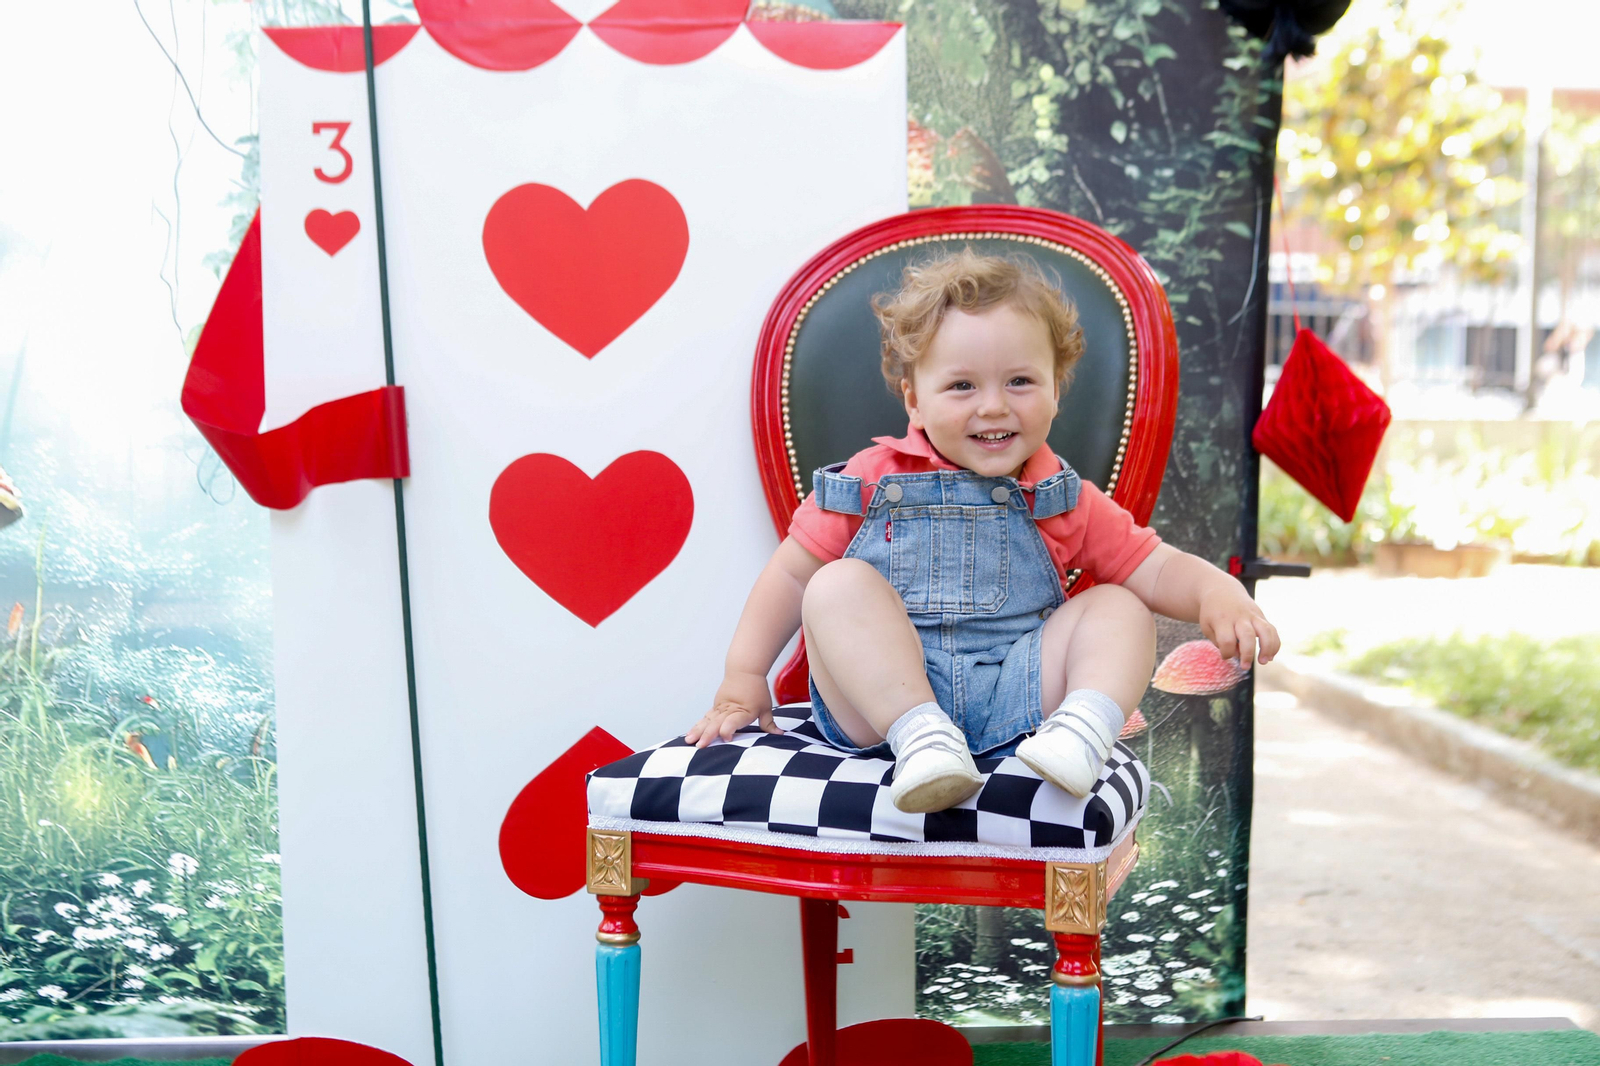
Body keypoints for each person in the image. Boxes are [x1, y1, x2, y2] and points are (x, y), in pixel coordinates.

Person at [685, 248, 1279, 814]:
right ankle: (923, 738)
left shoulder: (1060, 495)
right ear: (915, 402)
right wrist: (744, 677)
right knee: (833, 585)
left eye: (1020, 382)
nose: (994, 406)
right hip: (878, 708)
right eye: (963, 386)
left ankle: (1080, 733)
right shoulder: (868, 485)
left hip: (1020, 700)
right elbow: (791, 576)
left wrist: (1214, 593)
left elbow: (1153, 565)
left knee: (1120, 605)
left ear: (1054, 392)